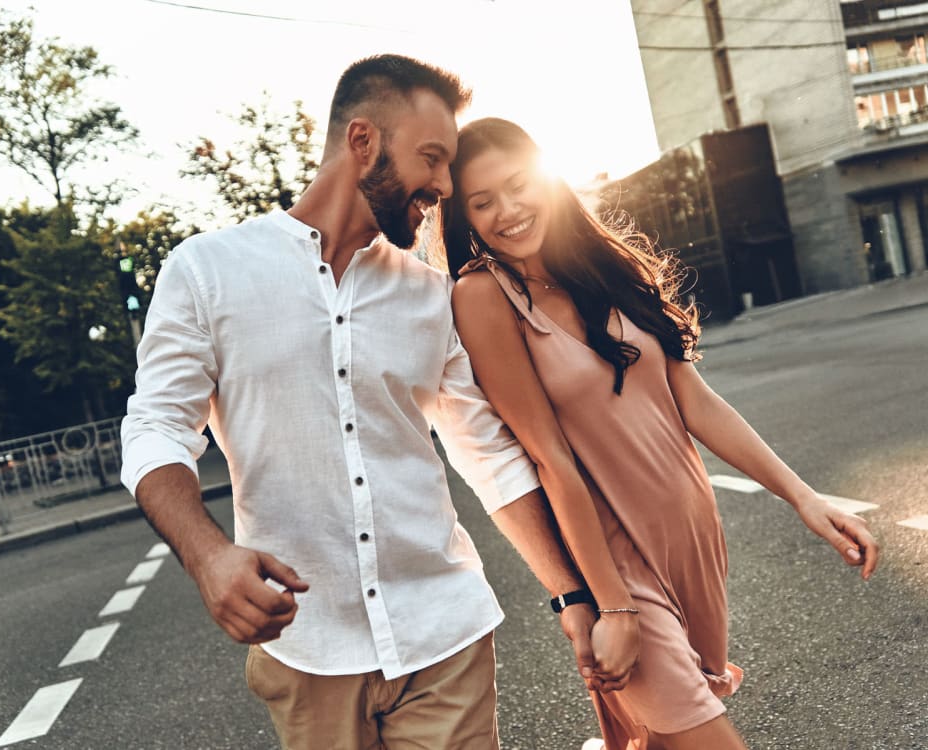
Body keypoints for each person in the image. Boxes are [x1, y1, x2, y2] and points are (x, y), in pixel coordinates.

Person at [120, 56, 614, 750]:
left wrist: (572, 594)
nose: (445, 185)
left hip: (444, 634)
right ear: (363, 143)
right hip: (308, 651)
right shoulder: (207, 272)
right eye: (432, 159)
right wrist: (208, 557)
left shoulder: (430, 294)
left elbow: (489, 454)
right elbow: (156, 430)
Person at [439, 117, 880, 750]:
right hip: (616, 557)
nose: (507, 210)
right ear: (467, 219)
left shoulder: (601, 269)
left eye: (517, 185)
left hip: (691, 540)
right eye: (483, 202)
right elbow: (549, 458)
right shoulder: (483, 297)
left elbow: (696, 403)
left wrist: (805, 497)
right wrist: (609, 605)